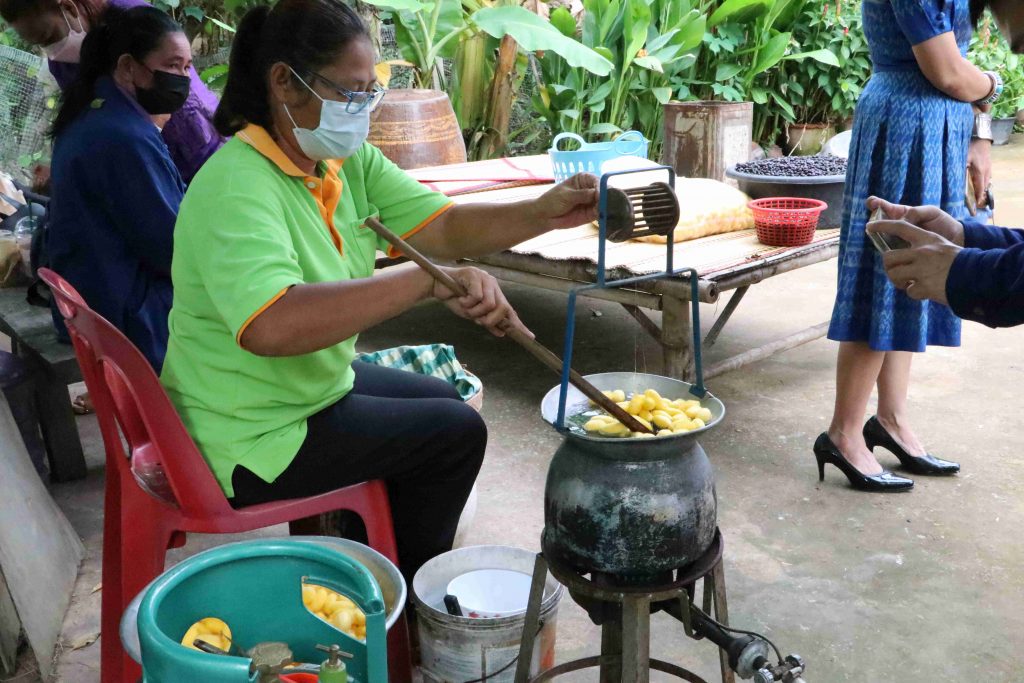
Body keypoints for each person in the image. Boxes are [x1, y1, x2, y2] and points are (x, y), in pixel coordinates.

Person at [159, 0, 601, 580]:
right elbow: (272, 325)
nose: (363, 109)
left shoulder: (340, 163)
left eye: (371, 92)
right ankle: (400, 600)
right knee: (454, 435)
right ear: (284, 83)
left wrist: (544, 211)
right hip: (244, 431)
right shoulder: (235, 186)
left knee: (444, 400)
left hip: (302, 388)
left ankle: (364, 553)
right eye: (350, 92)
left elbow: (444, 226)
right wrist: (425, 281)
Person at [817, 0, 1006, 493]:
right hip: (902, 125)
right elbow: (948, 71)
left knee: (916, 272)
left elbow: (959, 72)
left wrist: (979, 132)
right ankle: (843, 432)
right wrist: (992, 84)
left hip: (939, 126)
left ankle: (892, 420)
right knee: (884, 271)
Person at [48, 5, 189, 372]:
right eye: (173, 65)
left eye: (187, 68)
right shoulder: (124, 137)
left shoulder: (95, 113)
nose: (183, 79)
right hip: (126, 320)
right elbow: (174, 249)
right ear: (128, 67)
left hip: (93, 306)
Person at [0, 0, 222, 182]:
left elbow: (184, 110)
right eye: (39, 44)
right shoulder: (62, 64)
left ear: (68, 7)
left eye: (48, 38)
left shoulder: (136, 23)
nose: (50, 50)